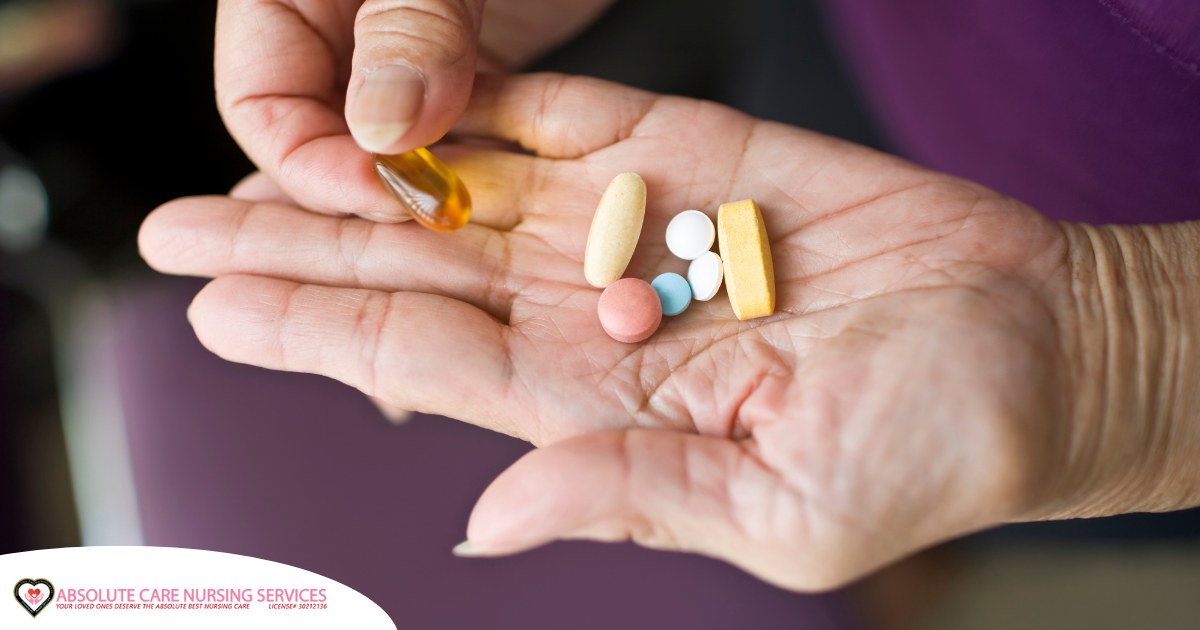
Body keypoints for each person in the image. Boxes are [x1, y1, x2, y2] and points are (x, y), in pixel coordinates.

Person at [138, 0, 1200, 590]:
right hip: (867, 88)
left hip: (1142, 300)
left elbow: (1098, 364)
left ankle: (938, 561)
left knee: (1000, 491)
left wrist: (1122, 347)